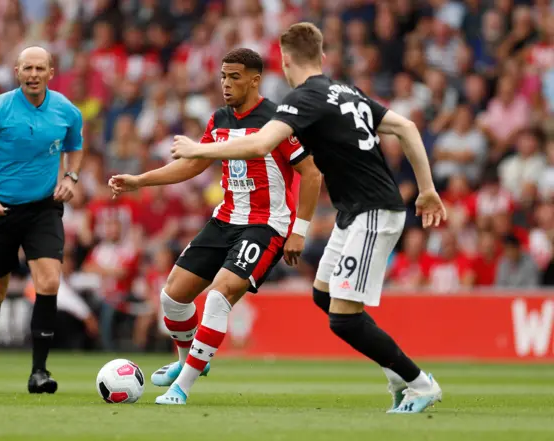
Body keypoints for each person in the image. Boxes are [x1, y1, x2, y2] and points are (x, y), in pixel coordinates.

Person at [171, 23, 446, 413]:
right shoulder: (345, 91)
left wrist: (197, 151)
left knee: (344, 320)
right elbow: (405, 126)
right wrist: (427, 188)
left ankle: (419, 383)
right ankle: (400, 375)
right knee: (323, 294)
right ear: (321, 56)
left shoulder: (304, 99)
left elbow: (260, 144)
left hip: (374, 212)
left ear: (284, 61)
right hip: (354, 213)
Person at [109, 48, 322, 405]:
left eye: (234, 77)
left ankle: (182, 388)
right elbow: (193, 164)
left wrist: (298, 230)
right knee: (172, 297)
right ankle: (186, 363)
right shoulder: (219, 118)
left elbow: (311, 173)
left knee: (218, 297)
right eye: (223, 76)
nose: (226, 83)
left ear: (255, 80)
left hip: (265, 226)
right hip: (224, 219)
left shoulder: (278, 120)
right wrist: (140, 181)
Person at [0, 46, 84, 393]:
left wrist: (71, 177)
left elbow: (76, 146)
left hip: (43, 208)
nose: (33, 74)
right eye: (27, 68)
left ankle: (39, 372)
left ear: (50, 73)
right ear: (17, 71)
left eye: (39, 68)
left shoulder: (67, 111)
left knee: (49, 281)